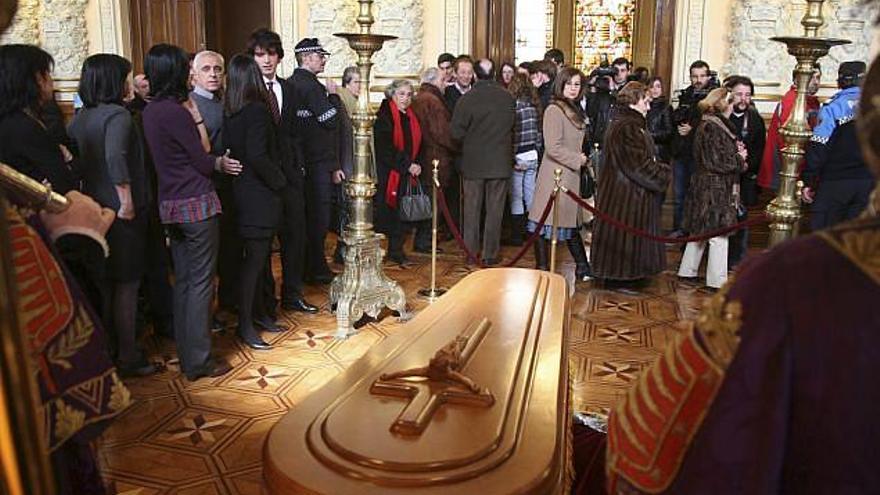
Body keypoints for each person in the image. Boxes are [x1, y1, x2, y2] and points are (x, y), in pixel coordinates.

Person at [606, 52, 880, 495]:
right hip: (712, 191)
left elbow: (644, 451)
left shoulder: (792, 282)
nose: (741, 102)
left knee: (707, 237)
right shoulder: (791, 279)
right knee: (708, 236)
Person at [141, 43, 241, 381]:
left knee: (184, 283)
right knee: (200, 285)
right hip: (196, 203)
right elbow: (203, 158)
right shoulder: (176, 111)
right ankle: (198, 361)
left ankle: (188, 355)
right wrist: (196, 117)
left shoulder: (151, 110)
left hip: (170, 204)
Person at [68, 53, 157, 377]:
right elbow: (116, 158)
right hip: (121, 213)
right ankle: (129, 355)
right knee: (128, 284)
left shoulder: (79, 117)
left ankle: (109, 352)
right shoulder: (118, 115)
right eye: (125, 76)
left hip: (93, 211)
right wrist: (127, 201)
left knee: (106, 284)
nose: (129, 83)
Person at [247, 29, 318, 314]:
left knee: (295, 236)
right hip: (260, 179)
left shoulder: (288, 88)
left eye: (271, 54)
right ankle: (265, 302)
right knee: (263, 246)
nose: (266, 60)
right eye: (260, 54)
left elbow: (295, 133)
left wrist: (297, 167)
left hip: (290, 175)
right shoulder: (247, 91)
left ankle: (292, 294)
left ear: (279, 56)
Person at [223, 55, 290, 351]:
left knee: (259, 262)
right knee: (254, 264)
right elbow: (258, 155)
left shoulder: (231, 111)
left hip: (241, 194)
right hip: (259, 196)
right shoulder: (257, 111)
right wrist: (281, 182)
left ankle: (260, 315)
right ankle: (246, 326)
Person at [592, 82, 671, 285]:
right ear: (634, 101)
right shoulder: (628, 127)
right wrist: (663, 174)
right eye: (646, 101)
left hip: (625, 193)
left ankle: (628, 275)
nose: (648, 106)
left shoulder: (628, 124)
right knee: (624, 239)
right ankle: (623, 277)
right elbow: (638, 166)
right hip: (626, 195)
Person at [677, 87, 746, 290]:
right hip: (715, 186)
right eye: (730, 101)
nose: (733, 105)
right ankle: (717, 280)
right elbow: (718, 161)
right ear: (722, 104)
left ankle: (687, 270)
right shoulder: (713, 127)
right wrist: (740, 159)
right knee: (718, 233)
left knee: (700, 230)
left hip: (705, 184)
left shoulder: (709, 123)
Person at [527, 67, 592, 280]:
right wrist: (578, 159)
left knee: (570, 224)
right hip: (554, 175)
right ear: (560, 85)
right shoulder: (554, 110)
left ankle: (583, 268)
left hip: (569, 175)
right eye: (569, 84)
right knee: (544, 223)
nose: (573, 89)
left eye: (577, 84)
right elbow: (552, 147)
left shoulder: (575, 108)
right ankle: (543, 268)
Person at [451, 57, 515, 266]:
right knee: (495, 212)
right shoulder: (508, 98)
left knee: (471, 211)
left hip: (473, 164)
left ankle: (471, 253)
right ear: (495, 73)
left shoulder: (467, 99)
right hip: (500, 163)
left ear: (476, 75)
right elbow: (514, 127)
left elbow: (456, 133)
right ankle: (490, 254)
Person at [190, 50, 239, 319]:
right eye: (206, 69)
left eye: (217, 69)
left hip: (228, 186)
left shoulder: (224, 100)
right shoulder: (192, 105)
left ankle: (229, 301)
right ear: (194, 74)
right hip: (207, 187)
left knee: (230, 248)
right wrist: (217, 162)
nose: (213, 74)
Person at [291, 37, 341, 285]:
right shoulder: (311, 86)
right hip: (317, 162)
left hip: (303, 161)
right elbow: (330, 120)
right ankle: (317, 269)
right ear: (308, 58)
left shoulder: (293, 82)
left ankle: (309, 267)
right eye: (321, 56)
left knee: (308, 218)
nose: (323, 60)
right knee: (318, 219)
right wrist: (334, 96)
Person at [802, 61, 871, 231]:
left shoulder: (833, 107)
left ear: (839, 82)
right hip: (869, 182)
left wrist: (809, 180)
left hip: (835, 182)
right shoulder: (874, 106)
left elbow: (819, 144)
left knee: (825, 238)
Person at [0, 44, 77, 194]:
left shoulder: (16, 119)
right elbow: (62, 183)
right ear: (36, 78)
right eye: (47, 72)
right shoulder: (22, 127)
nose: (51, 79)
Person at [374, 79, 423, 265]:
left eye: (409, 94)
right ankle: (385, 251)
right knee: (389, 213)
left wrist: (415, 163)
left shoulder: (410, 115)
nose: (405, 98)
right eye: (401, 94)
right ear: (392, 95)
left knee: (403, 214)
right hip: (390, 172)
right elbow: (386, 147)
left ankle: (397, 249)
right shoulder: (385, 115)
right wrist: (407, 164)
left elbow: (416, 143)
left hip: (407, 171)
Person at [411, 66, 457, 251]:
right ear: (435, 81)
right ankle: (426, 241)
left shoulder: (417, 98)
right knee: (434, 202)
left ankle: (422, 240)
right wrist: (457, 147)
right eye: (442, 80)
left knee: (428, 200)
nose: (445, 84)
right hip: (436, 158)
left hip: (423, 157)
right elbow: (442, 133)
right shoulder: (433, 101)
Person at [671, 60, 717, 235]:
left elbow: (713, 125)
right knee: (678, 195)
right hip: (682, 151)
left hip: (700, 155)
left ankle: (693, 230)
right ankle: (678, 229)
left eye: (702, 76)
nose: (698, 80)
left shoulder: (714, 98)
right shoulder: (686, 95)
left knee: (696, 195)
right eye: (694, 76)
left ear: (708, 76)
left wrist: (692, 129)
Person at [758, 64, 821, 191]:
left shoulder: (810, 101)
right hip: (787, 166)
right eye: (811, 77)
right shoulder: (793, 101)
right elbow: (787, 139)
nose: (816, 82)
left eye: (818, 78)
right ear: (798, 79)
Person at [725, 75, 766, 267]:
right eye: (739, 94)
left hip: (745, 176)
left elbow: (760, 148)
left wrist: (749, 166)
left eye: (747, 95)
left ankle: (736, 258)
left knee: (741, 217)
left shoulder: (755, 118)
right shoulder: (722, 116)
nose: (743, 99)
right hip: (723, 176)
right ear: (730, 95)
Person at [508, 72, 542, 247]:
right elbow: (538, 134)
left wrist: (512, 157)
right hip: (533, 154)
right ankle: (532, 231)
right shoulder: (534, 106)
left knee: (516, 196)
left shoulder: (515, 107)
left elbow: (514, 135)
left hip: (520, 154)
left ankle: (516, 235)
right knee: (531, 195)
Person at [646, 76, 673, 163]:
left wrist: (649, 135)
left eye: (658, 86)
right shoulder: (643, 105)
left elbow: (669, 132)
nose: (655, 90)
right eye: (651, 86)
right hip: (644, 149)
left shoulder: (666, 107)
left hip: (659, 152)